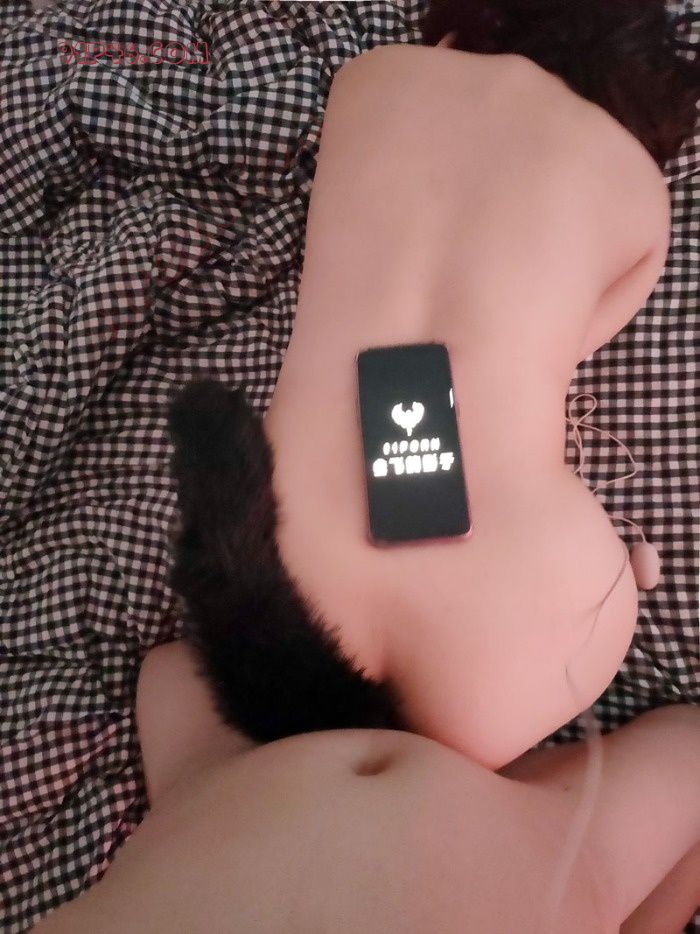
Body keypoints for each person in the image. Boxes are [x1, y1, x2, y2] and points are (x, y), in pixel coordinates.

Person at [32, 4, 700, 931]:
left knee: (193, 683)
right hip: (509, 638)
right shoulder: (637, 187)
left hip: (288, 587)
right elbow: (579, 342)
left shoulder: (372, 79)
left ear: (457, 30)